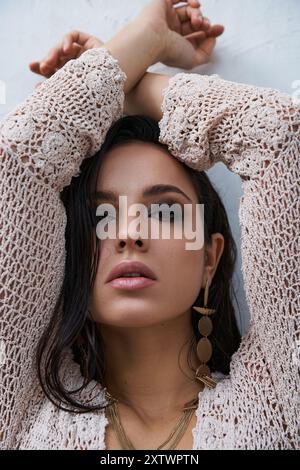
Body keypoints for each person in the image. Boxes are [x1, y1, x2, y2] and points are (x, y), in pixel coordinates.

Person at [0, 0, 298, 450]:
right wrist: (146, 37)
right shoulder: (18, 410)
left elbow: (281, 139)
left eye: (164, 212)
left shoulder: (279, 404)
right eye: (101, 216)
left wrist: (131, 90)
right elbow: (17, 168)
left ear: (209, 258)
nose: (129, 234)